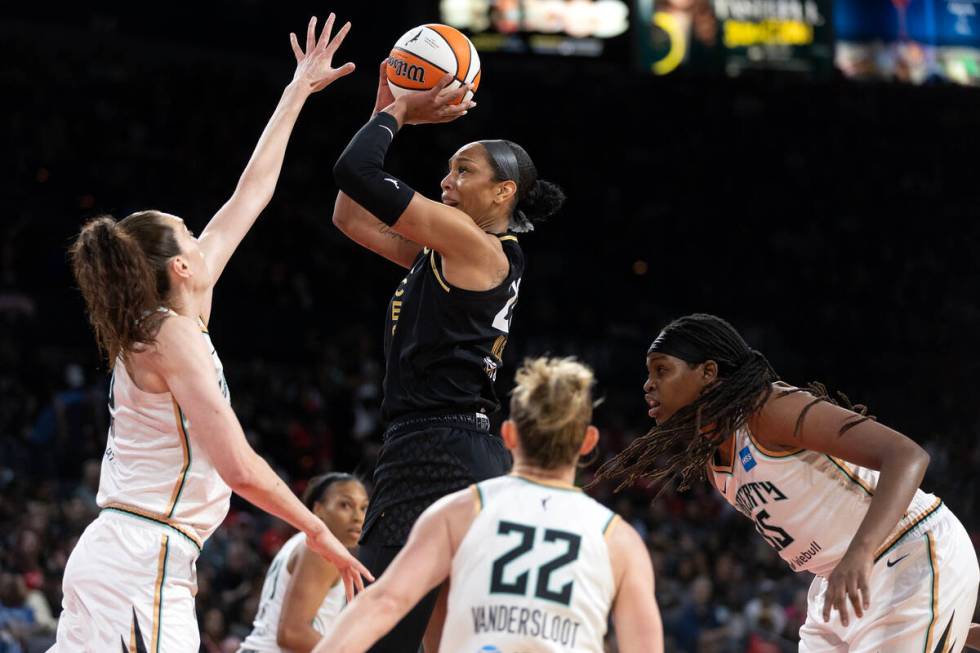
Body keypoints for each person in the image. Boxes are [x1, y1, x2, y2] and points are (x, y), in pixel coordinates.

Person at [52, 15, 371, 651]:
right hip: (142, 556)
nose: (204, 234)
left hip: (133, 553)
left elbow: (250, 194)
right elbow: (240, 467)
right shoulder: (169, 334)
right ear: (180, 265)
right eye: (190, 231)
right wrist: (318, 530)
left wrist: (297, 90)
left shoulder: (173, 316)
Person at [329, 63, 567, 651]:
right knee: (439, 640)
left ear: (504, 192)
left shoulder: (471, 244)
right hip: (459, 448)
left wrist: (401, 111)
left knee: (372, 633)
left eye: (464, 170)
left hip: (435, 451)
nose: (446, 180)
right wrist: (382, 110)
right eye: (448, 167)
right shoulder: (448, 250)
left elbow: (356, 170)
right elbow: (349, 214)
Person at [595, 313, 980, 653]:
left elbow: (907, 455)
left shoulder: (768, 408)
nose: (648, 384)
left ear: (708, 373)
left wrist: (861, 554)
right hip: (841, 584)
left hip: (907, 547)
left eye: (661, 370)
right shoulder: (715, 462)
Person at [312, 357, 663, 653]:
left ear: (508, 435)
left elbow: (383, 602)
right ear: (588, 442)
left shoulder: (459, 512)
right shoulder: (620, 540)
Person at [239, 473, 369, 653]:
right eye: (345, 505)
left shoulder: (302, 542)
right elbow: (292, 634)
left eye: (363, 508)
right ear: (318, 509)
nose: (358, 517)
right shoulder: (321, 551)